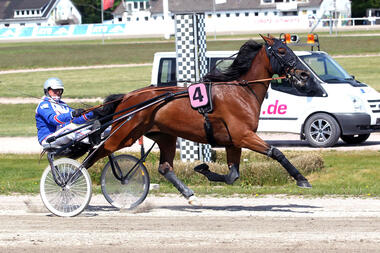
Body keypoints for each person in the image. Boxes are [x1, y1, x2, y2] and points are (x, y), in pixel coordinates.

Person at [35, 77, 96, 148]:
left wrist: (92, 114)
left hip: (62, 134)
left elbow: (76, 120)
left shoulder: (62, 105)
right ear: (47, 91)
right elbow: (54, 120)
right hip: (48, 138)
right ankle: (93, 141)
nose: (57, 93)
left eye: (59, 90)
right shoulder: (43, 105)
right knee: (70, 128)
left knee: (89, 125)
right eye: (55, 91)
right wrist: (72, 114)